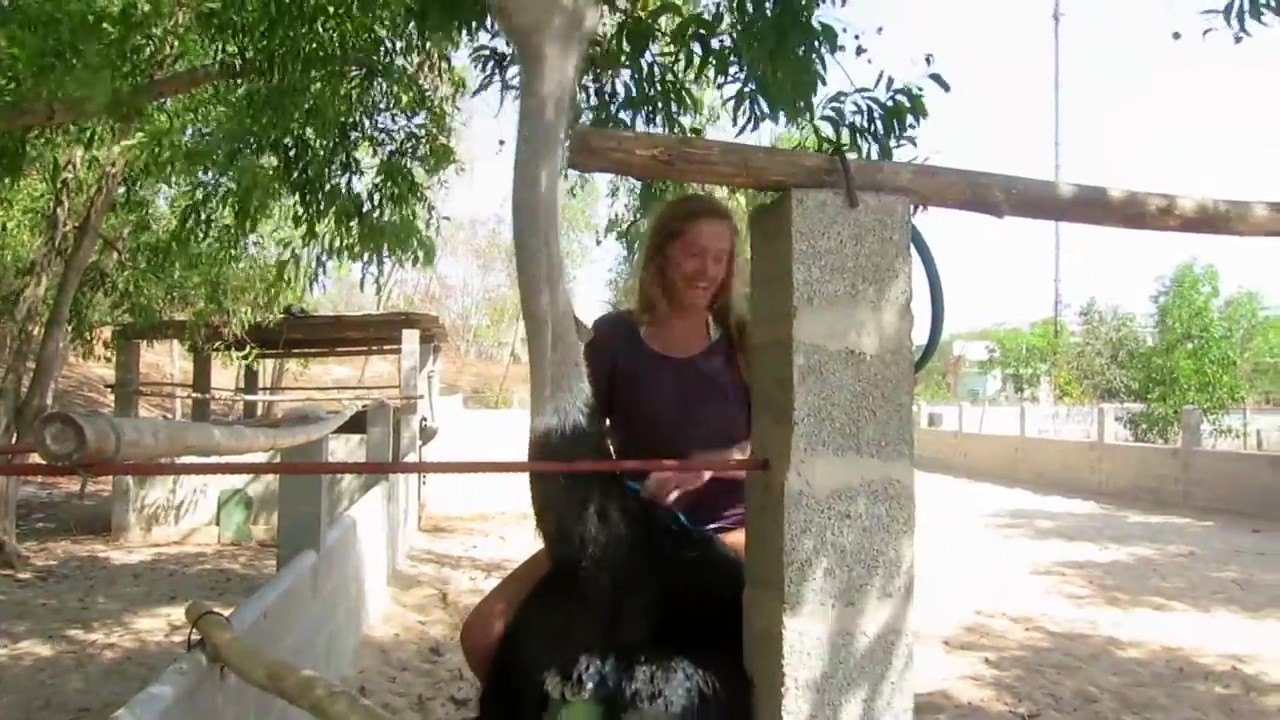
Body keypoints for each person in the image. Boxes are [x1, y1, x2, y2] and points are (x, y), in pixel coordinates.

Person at [458, 193, 752, 681]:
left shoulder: (745, 342)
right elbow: (579, 441)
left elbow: (781, 443)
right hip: (629, 530)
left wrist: (717, 461)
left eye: (720, 257)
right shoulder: (614, 337)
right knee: (484, 636)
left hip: (729, 537)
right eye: (694, 253)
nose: (708, 270)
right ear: (662, 254)